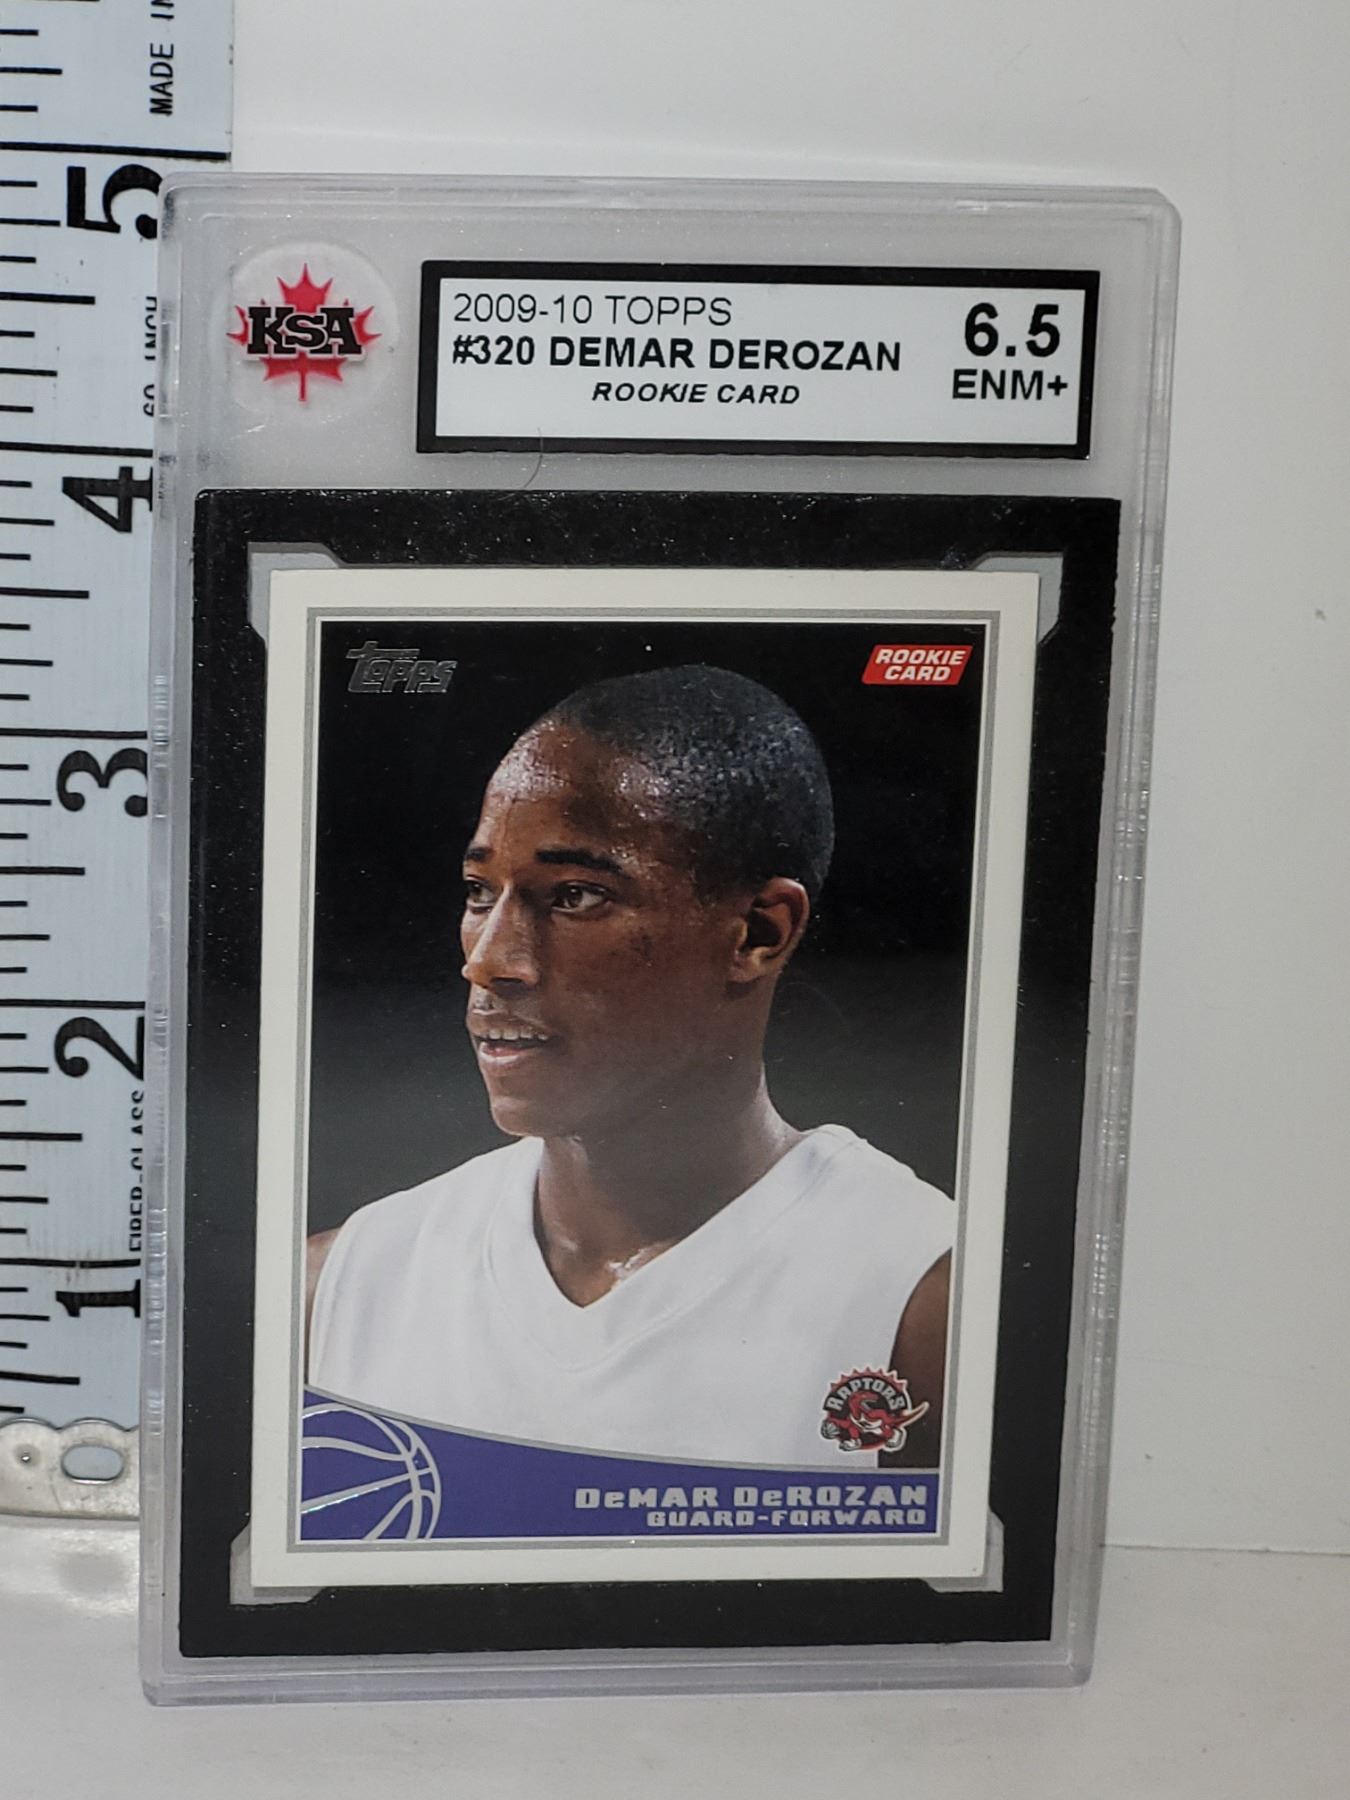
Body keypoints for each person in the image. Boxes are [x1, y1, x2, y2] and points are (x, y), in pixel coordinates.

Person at [307, 664, 953, 1469]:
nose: (489, 961)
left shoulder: (921, 1297)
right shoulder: (339, 1286)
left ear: (759, 932)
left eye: (574, 895)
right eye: (478, 891)